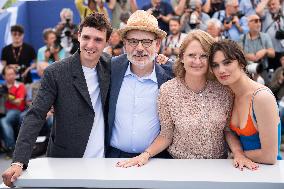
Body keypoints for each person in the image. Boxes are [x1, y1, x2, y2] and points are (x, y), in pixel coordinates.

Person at [116, 30, 258, 170]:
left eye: (204, 56)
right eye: (191, 55)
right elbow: (166, 134)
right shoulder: (167, 91)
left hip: (217, 168)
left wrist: (239, 154)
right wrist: (145, 155)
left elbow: (228, 130)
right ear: (182, 57)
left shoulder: (224, 90)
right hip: (178, 167)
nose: (197, 61)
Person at [1, 12, 113, 187]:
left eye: (98, 39)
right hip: (65, 161)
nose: (90, 45)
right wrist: (19, 161)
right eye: (86, 37)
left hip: (103, 161)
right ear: (78, 36)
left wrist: (163, 60)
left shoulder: (111, 65)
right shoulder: (56, 72)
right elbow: (35, 114)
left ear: (107, 41)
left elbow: (141, 62)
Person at [106, 10, 173, 158]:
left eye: (147, 42)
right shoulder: (110, 68)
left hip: (157, 159)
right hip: (113, 158)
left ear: (157, 44)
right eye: (133, 41)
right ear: (124, 44)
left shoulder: (171, 75)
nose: (140, 48)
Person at [209, 39, 282, 164]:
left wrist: (239, 155)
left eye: (227, 62)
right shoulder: (230, 94)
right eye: (215, 65)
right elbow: (228, 131)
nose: (221, 70)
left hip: (268, 174)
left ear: (241, 63)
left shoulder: (261, 97)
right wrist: (238, 153)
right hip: (242, 171)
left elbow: (270, 156)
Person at [239, 14, 275, 84]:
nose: (259, 23)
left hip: (263, 70)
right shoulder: (242, 38)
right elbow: (238, 55)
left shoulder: (265, 36)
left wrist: (265, 51)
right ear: (248, 24)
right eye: (256, 21)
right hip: (248, 71)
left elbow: (273, 53)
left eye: (260, 21)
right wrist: (248, 56)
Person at [0, 65, 26, 159]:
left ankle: (11, 148)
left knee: (4, 121)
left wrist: (8, 96)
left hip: (16, 111)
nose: (11, 76)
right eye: (8, 74)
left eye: (13, 74)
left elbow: (19, 102)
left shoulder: (20, 85)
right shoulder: (1, 86)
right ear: (4, 76)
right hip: (3, 110)